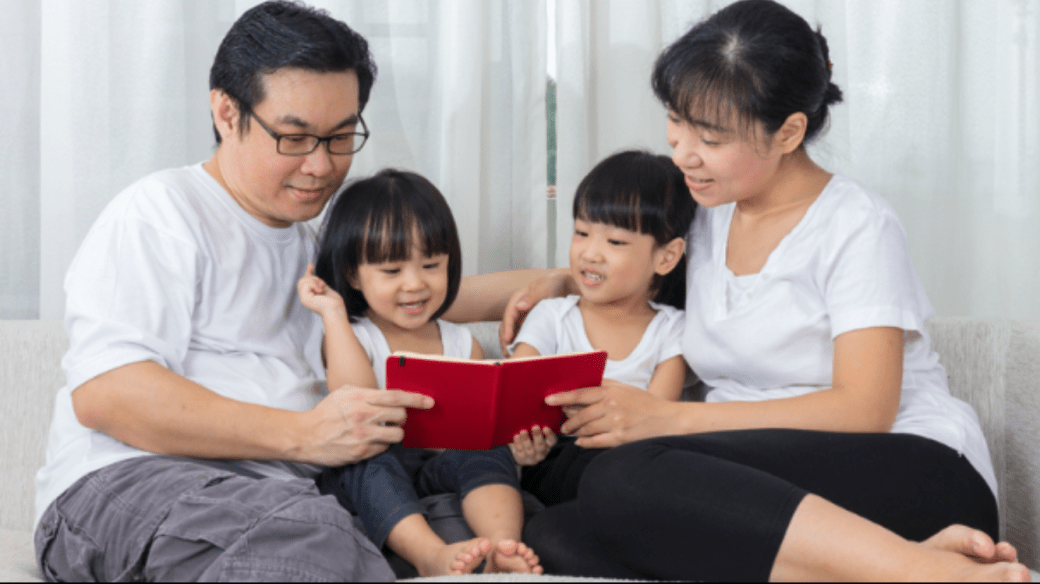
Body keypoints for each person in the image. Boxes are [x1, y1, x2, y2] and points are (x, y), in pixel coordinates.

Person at [497, 1, 1032, 580]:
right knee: (554, 532)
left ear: (789, 132)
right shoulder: (702, 212)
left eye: (710, 137)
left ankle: (928, 573)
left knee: (622, 477)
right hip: (760, 480)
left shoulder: (856, 223)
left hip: (912, 468)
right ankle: (894, 561)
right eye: (676, 120)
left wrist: (666, 419)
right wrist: (553, 280)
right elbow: (610, 262)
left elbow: (866, 409)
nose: (683, 153)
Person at [33, 3, 432, 581]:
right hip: (129, 480)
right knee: (308, 539)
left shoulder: (317, 244)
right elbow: (108, 394)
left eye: (342, 137)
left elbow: (420, 291)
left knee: (445, 524)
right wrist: (307, 435)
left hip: (274, 497)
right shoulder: (161, 211)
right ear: (227, 112)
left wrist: (555, 282)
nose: (321, 165)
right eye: (295, 137)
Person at [297, 169, 544, 576]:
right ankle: (429, 555)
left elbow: (480, 430)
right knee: (364, 456)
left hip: (437, 468)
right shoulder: (353, 337)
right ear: (354, 275)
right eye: (391, 271)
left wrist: (518, 447)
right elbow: (354, 400)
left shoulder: (463, 344)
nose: (414, 284)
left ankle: (502, 545)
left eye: (431, 265)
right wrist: (333, 313)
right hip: (372, 470)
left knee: (488, 449)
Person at [509, 150, 695, 506]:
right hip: (559, 460)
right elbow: (515, 399)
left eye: (615, 242)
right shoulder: (552, 316)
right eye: (581, 233)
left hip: (633, 458)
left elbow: (656, 418)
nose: (590, 254)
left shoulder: (672, 330)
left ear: (666, 256)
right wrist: (526, 444)